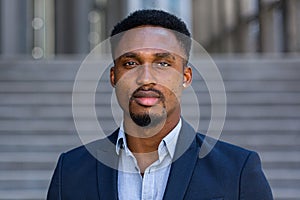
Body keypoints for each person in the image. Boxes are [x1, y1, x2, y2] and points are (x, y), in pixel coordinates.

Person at [47, 9, 273, 200]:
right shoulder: (70, 170)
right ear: (114, 77)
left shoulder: (238, 170)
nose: (145, 78)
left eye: (163, 63)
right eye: (131, 62)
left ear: (185, 77)